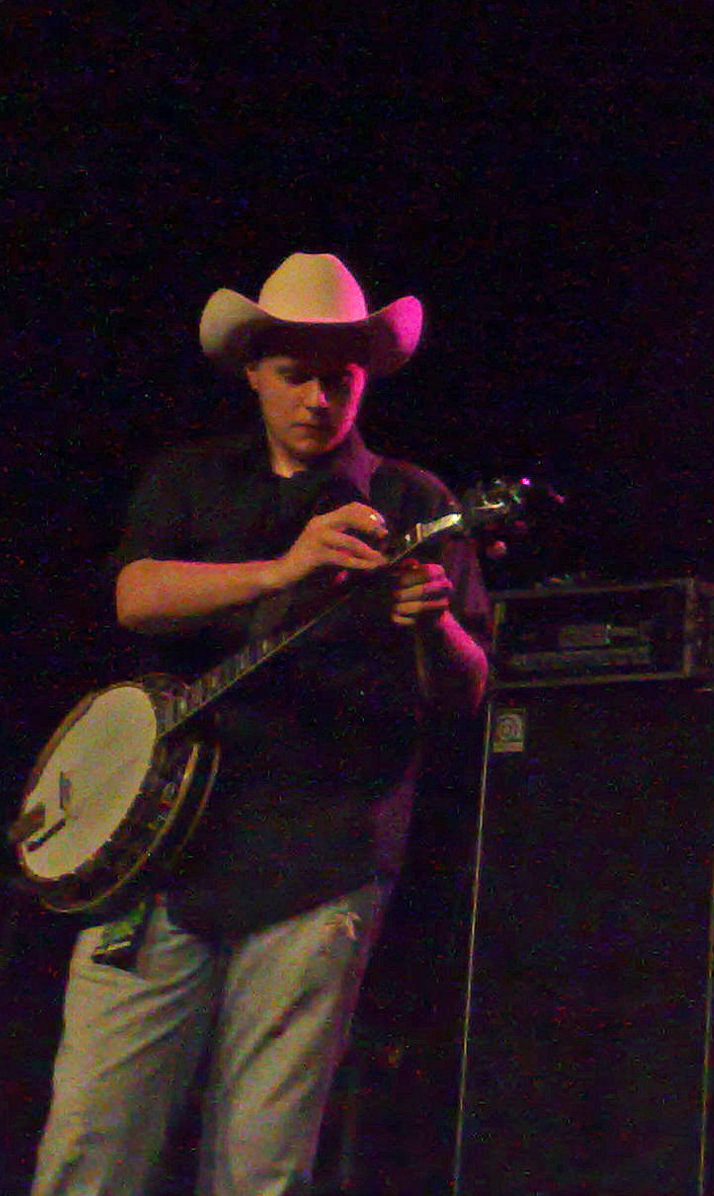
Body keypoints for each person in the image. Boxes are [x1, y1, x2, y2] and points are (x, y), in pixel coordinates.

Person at [32, 253, 490, 1196]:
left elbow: (467, 690)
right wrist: (280, 571)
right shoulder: (190, 479)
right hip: (155, 858)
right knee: (89, 1151)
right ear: (252, 370)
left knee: (262, 1171)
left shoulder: (413, 502)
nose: (322, 398)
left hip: (317, 864)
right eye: (297, 376)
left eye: (342, 378)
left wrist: (434, 623)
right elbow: (134, 598)